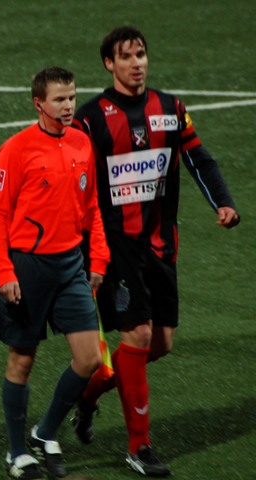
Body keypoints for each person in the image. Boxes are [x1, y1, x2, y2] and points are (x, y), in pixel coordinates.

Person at [71, 26, 240, 477]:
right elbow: (75, 180)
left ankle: (88, 393)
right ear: (109, 64)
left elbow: (198, 158)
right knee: (139, 336)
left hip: (162, 245)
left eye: (141, 54)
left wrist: (222, 202)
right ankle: (139, 447)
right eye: (126, 56)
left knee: (161, 343)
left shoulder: (171, 108)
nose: (137, 63)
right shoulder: (90, 118)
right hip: (116, 246)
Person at [0, 67, 110, 480]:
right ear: (38, 103)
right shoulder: (15, 149)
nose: (69, 105)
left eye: (72, 97)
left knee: (89, 358)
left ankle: (44, 430)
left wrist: (98, 259)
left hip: (71, 264)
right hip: (27, 267)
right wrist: (3, 271)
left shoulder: (81, 143)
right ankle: (16, 452)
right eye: (60, 99)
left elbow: (92, 207)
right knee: (22, 360)